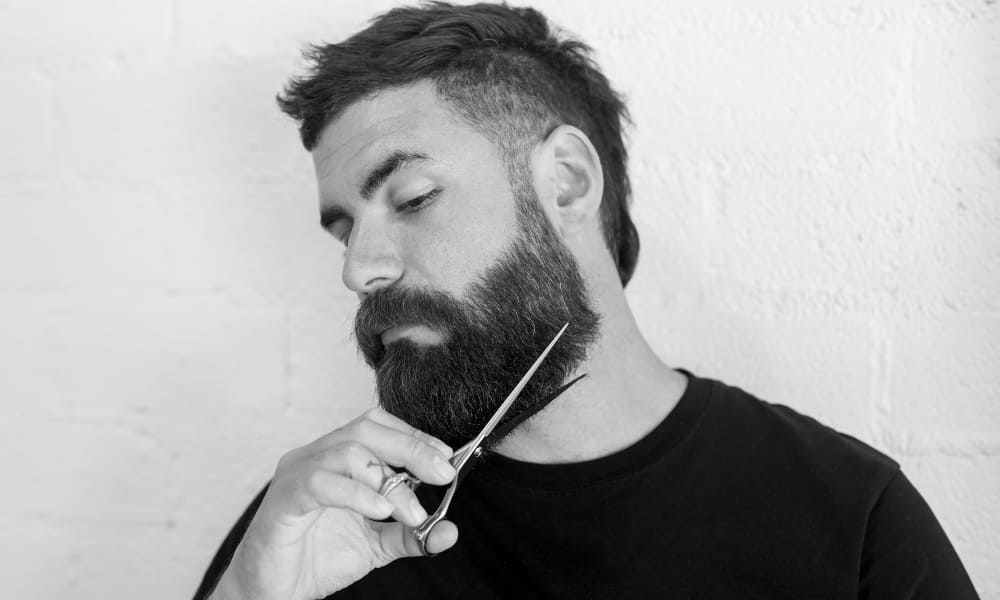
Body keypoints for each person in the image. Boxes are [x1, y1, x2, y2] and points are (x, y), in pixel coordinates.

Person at [195, 2, 980, 598]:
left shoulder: (848, 518)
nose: (359, 270)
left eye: (412, 198)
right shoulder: (322, 528)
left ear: (566, 182)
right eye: (344, 232)